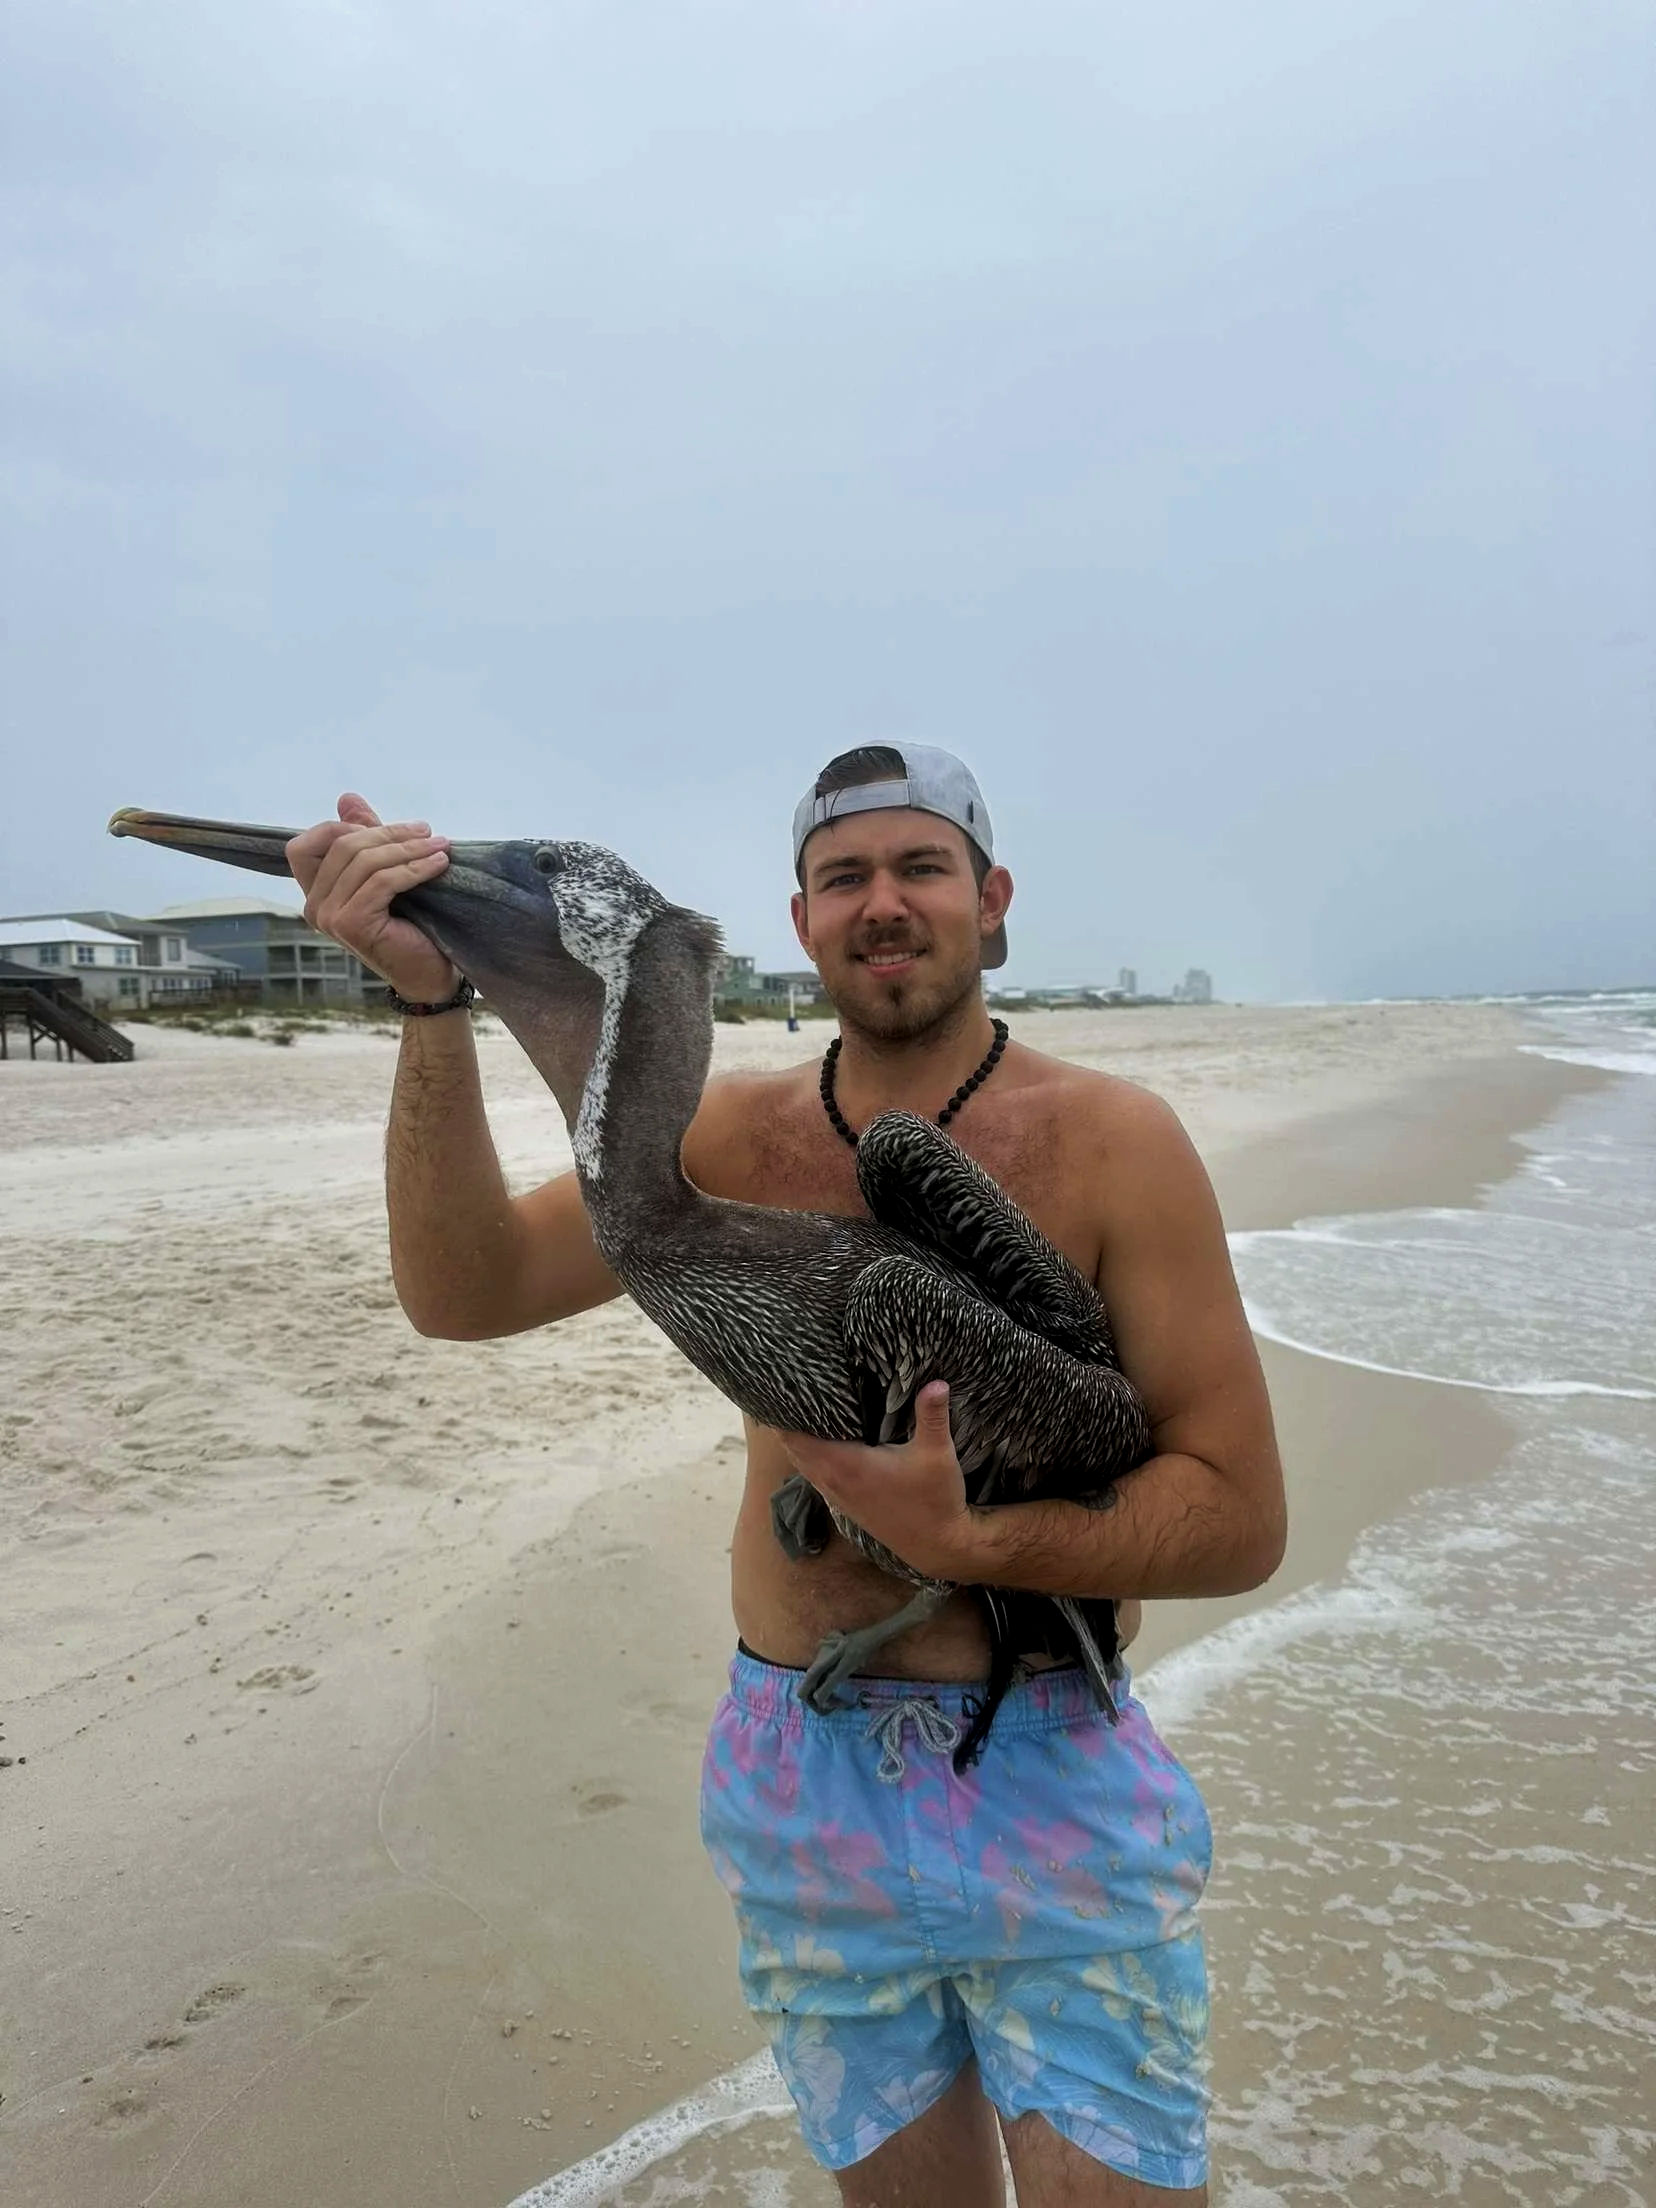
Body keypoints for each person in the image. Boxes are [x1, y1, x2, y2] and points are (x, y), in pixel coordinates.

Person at [286, 745, 1286, 2207]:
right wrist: (429, 1003)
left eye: (920, 867)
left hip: (1047, 1774)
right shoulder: (718, 1138)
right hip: (800, 1771)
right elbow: (465, 1288)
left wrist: (977, 1542)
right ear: (804, 919)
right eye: (844, 877)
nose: (883, 903)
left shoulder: (1112, 1145)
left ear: (991, 899)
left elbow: (1241, 1518)